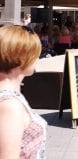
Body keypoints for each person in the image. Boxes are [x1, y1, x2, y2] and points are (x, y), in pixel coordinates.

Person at [0, 25, 47, 158]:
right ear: (20, 58)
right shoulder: (10, 106)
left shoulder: (9, 98)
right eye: (35, 54)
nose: (37, 58)